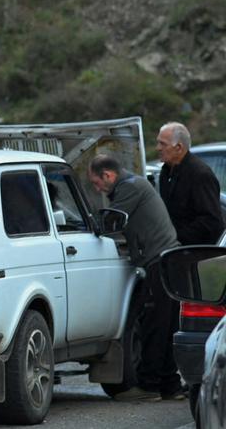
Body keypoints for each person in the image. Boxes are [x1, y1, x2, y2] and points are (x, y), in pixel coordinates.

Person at [87, 154, 183, 402]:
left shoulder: (129, 189)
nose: (97, 188)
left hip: (159, 262)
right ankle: (170, 385)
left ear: (108, 175)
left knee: (155, 326)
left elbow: (108, 222)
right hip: (167, 261)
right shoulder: (135, 184)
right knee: (166, 325)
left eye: (97, 183)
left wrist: (86, 225)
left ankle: (149, 386)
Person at [156, 122, 225, 245]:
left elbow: (211, 221)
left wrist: (176, 237)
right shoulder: (166, 172)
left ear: (178, 148)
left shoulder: (200, 174)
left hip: (196, 252)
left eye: (163, 144)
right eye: (158, 143)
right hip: (174, 249)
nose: (158, 148)